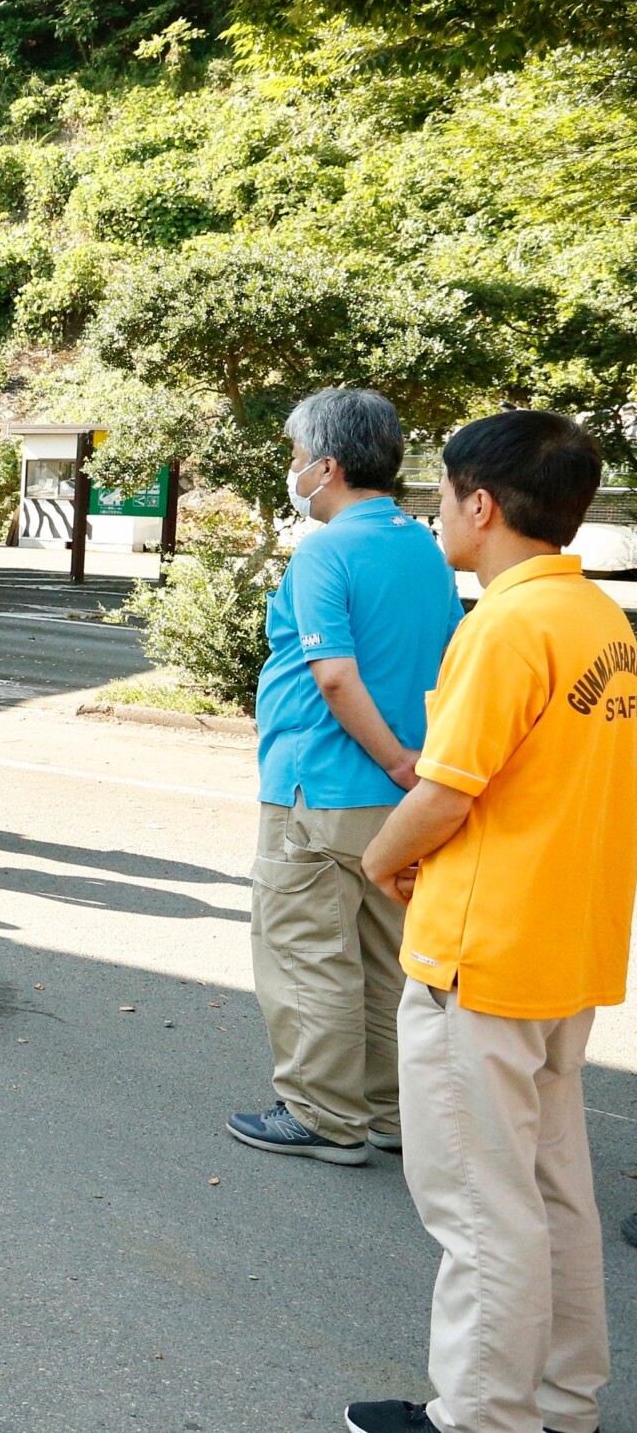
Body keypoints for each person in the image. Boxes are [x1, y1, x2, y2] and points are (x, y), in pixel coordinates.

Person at [344, 410, 637, 1433]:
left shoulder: (503, 625)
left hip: (481, 952)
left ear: (480, 504)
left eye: (439, 497)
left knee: (478, 1205)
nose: (433, 516)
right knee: (553, 1194)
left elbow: (444, 792)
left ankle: (478, 1418)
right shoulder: (604, 622)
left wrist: (382, 860)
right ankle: (560, 1401)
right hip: (568, 946)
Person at [229, 389, 461, 1168]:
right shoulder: (422, 544)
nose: (294, 471)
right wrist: (409, 768)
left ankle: (323, 1113)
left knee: (306, 949)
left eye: (297, 458)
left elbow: (333, 675)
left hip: (320, 783)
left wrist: (392, 753)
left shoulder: (326, 551)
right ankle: (389, 1109)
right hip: (399, 799)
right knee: (381, 954)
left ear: (327, 466)